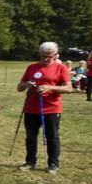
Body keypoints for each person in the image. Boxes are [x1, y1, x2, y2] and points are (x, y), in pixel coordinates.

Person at [17, 41, 73, 174]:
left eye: (49, 56)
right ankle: (30, 161)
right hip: (31, 108)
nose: (45, 59)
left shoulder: (61, 68)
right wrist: (26, 85)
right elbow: (19, 87)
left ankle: (53, 163)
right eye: (43, 56)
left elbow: (69, 88)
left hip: (51, 109)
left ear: (56, 55)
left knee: (52, 137)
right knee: (30, 137)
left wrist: (50, 87)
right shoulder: (32, 67)